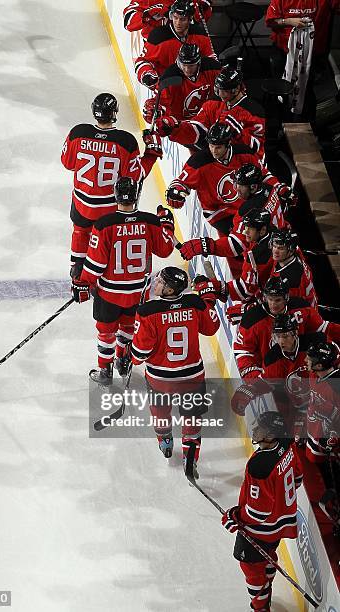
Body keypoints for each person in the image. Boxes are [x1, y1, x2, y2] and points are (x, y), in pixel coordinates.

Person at [71, 177, 174, 385]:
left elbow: (95, 265)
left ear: (115, 195)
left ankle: (105, 370)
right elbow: (165, 250)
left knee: (105, 331)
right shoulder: (150, 221)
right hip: (138, 292)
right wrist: (166, 226)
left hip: (109, 293)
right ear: (136, 195)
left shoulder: (103, 225)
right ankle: (123, 360)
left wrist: (83, 283)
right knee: (128, 328)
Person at [61, 92, 162, 278]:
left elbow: (67, 163)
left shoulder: (78, 133)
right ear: (115, 112)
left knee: (80, 231)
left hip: (81, 202)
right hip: (108, 206)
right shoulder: (125, 141)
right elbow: (136, 176)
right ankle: (103, 272)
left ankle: (77, 270)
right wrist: (151, 155)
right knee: (104, 239)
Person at [131, 267, 220, 475]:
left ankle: (165, 439)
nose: (157, 284)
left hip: (161, 377)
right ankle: (191, 456)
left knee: (160, 410)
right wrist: (208, 299)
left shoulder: (148, 311)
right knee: (192, 417)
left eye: (162, 282)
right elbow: (211, 327)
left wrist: (130, 352)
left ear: (170, 290)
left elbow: (140, 353)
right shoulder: (195, 304)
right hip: (192, 375)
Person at [222, 411, 303, 611]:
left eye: (262, 429)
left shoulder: (260, 466)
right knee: (266, 556)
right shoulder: (287, 445)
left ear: (272, 435)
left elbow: (258, 514)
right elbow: (298, 477)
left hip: (260, 531)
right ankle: (267, 581)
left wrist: (235, 516)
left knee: (250, 567)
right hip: (279, 526)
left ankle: (260, 606)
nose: (256, 430)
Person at [166, 123, 278, 237]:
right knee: (242, 239)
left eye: (218, 147)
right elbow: (180, 182)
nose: (214, 151)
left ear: (228, 144)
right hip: (218, 214)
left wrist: (279, 187)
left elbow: (263, 174)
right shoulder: (199, 162)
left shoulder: (244, 153)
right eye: (211, 146)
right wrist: (175, 192)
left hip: (245, 206)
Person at [233, 277, 339, 379]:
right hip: (271, 371)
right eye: (270, 299)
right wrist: (256, 379)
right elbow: (243, 352)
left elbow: (324, 330)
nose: (273, 304)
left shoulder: (301, 307)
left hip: (303, 366)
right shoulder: (252, 319)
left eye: (278, 300)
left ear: (286, 297)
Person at [156, 65, 266, 160]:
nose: (220, 94)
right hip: (218, 160)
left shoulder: (254, 112)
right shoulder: (213, 103)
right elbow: (197, 129)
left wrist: (238, 134)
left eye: (224, 91)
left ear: (236, 89)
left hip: (241, 167)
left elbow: (257, 150)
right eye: (218, 90)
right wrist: (175, 128)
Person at [135, 0, 216, 90]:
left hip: (193, 86)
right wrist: (146, 74)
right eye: (175, 17)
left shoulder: (200, 34)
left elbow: (210, 59)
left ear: (190, 19)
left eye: (182, 19)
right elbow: (142, 61)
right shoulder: (158, 37)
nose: (178, 23)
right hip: (167, 87)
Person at [142, 44, 221, 125]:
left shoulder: (212, 68)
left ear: (198, 63)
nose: (187, 70)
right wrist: (152, 110)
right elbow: (159, 102)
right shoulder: (170, 78)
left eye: (191, 66)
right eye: (184, 65)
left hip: (208, 121)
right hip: (179, 125)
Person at [305, 341, 340, 464]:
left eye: (309, 359)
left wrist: (334, 437)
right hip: (315, 437)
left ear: (319, 366)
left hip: (330, 446)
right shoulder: (314, 375)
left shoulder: (335, 387)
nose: (305, 360)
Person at [269, 228, 317, 307]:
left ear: (291, 251)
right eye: (274, 246)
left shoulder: (290, 277)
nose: (275, 251)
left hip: (302, 312)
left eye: (281, 248)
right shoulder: (295, 254)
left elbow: (285, 305)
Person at [123, 0, 213, 43]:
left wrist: (203, 6)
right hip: (157, 47)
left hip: (186, 47)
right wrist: (150, 14)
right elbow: (128, 20)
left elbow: (203, 18)